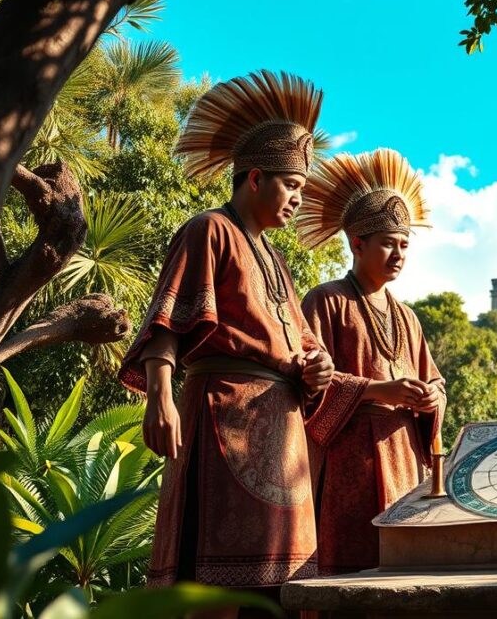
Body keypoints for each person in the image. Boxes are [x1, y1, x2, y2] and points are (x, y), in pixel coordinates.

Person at [118, 71, 334, 598]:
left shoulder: (277, 260)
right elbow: (169, 320)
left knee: (282, 589)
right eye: (291, 186)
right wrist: (160, 400)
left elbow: (303, 343)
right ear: (255, 178)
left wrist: (317, 365)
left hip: (283, 435)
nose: (298, 200)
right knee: (211, 584)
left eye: (304, 190)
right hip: (223, 417)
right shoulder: (208, 229)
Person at [295, 148, 446, 575]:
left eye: (404, 245)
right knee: (349, 564)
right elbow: (306, 382)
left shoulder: (408, 316)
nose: (398, 254)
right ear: (357, 244)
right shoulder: (326, 300)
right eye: (388, 244)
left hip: (404, 454)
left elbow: (435, 380)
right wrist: (380, 391)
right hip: (349, 457)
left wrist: (431, 397)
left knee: (401, 567)